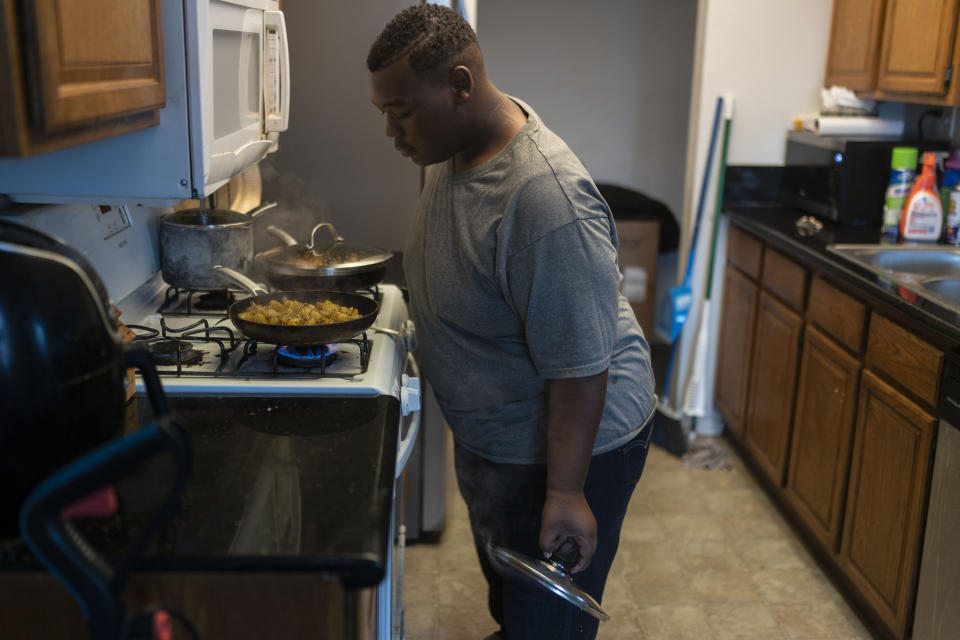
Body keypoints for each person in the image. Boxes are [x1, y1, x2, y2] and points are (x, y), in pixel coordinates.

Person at [367, 6, 657, 639]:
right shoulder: (453, 145)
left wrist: (566, 495)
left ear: (461, 85)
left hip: (573, 445)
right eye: (384, 113)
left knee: (547, 623)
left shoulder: (544, 200)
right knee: (515, 594)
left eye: (402, 111)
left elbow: (581, 367)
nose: (391, 131)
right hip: (500, 437)